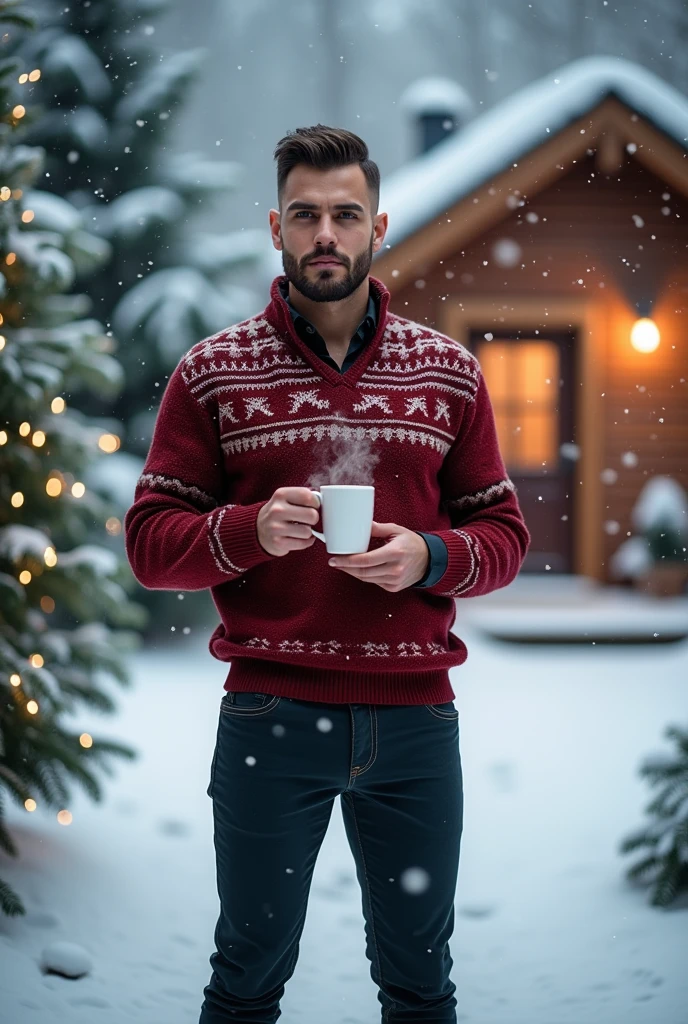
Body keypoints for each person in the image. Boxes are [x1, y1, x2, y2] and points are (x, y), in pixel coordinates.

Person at [124, 124, 530, 1024]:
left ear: (377, 225)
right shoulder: (214, 373)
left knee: (421, 983)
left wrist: (430, 557)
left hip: (416, 722)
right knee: (247, 976)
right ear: (276, 227)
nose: (326, 234)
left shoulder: (448, 375)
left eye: (346, 214)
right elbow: (151, 544)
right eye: (305, 214)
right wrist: (248, 531)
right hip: (271, 715)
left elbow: (503, 534)